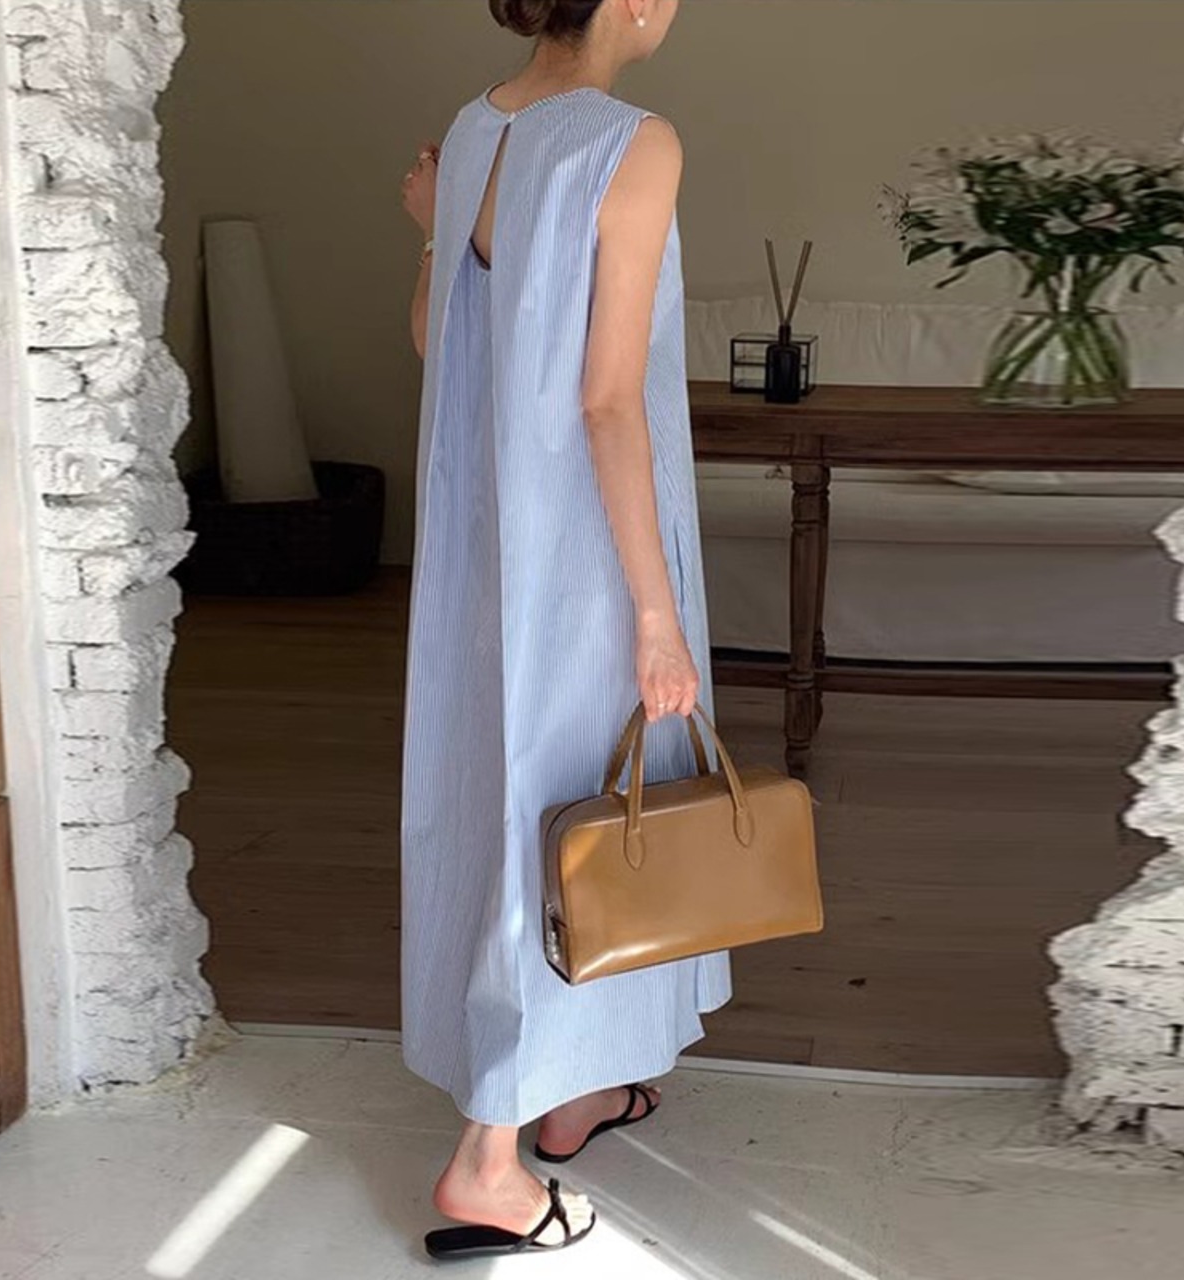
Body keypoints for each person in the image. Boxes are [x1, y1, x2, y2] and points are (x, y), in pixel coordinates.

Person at [399, 0, 730, 1260]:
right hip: (588, 550)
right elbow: (606, 399)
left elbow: (434, 343)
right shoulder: (632, 141)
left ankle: (574, 1086)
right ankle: (487, 1162)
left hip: (490, 544)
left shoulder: (472, 129)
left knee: (531, 802)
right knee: (584, 822)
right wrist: (655, 610)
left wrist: (434, 234)